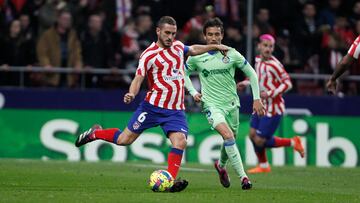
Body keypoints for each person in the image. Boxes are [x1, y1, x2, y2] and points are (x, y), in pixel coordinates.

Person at [74, 16, 229, 192]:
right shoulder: (149, 54)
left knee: (180, 142)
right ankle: (96, 133)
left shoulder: (178, 47)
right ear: (158, 31)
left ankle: (169, 180)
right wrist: (132, 93)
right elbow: (138, 77)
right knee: (124, 140)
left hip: (175, 110)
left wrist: (215, 46)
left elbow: (193, 49)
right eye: (167, 33)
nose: (171, 37)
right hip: (152, 107)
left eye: (173, 33)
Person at [184, 17, 265, 190]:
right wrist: (193, 92)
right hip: (211, 105)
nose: (214, 38)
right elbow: (182, 73)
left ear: (222, 35)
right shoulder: (197, 56)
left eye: (217, 34)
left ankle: (221, 166)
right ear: (205, 36)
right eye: (210, 35)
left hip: (232, 104)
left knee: (230, 138)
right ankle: (244, 178)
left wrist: (256, 98)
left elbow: (252, 74)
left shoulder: (232, 53)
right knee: (228, 136)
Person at [237, 34, 305, 174]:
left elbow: (287, 84)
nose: (268, 49)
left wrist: (270, 93)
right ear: (259, 46)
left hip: (273, 108)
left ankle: (293, 142)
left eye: (270, 46)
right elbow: (255, 77)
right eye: (265, 45)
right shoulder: (257, 60)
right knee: (252, 135)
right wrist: (246, 82)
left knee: (260, 141)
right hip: (260, 105)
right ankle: (263, 166)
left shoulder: (275, 65)